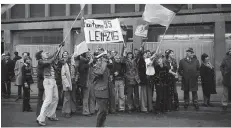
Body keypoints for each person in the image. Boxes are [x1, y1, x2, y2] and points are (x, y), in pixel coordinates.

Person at [36, 45, 62, 126]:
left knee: (56, 98)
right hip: (47, 81)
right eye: (44, 53)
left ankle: (51, 115)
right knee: (48, 100)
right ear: (41, 56)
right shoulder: (40, 61)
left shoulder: (47, 59)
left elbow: (53, 55)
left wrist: (59, 48)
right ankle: (41, 119)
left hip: (53, 80)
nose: (46, 53)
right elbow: (51, 60)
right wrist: (56, 53)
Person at [93, 52, 110, 127]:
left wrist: (108, 59)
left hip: (105, 90)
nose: (102, 60)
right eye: (100, 59)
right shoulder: (95, 67)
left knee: (105, 111)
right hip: (100, 90)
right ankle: (98, 126)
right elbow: (100, 72)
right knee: (101, 110)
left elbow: (111, 66)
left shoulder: (104, 65)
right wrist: (103, 61)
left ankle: (102, 125)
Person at [123, 48, 140, 113]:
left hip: (136, 78)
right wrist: (124, 52)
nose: (130, 56)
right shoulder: (125, 61)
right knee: (129, 94)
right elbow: (122, 60)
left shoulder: (135, 60)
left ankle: (137, 106)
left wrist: (140, 50)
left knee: (136, 94)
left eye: (131, 54)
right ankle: (130, 107)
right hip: (129, 78)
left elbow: (139, 56)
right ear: (127, 56)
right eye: (129, 55)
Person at [61, 51, 75, 118]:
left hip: (73, 82)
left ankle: (71, 110)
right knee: (67, 98)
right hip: (67, 83)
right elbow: (63, 75)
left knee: (72, 97)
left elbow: (74, 72)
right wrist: (67, 84)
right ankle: (67, 112)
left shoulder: (72, 64)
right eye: (64, 54)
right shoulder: (64, 64)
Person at [35, 50, 45, 117]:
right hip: (42, 83)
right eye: (43, 53)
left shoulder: (41, 61)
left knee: (42, 99)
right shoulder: (40, 61)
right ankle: (39, 114)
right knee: (40, 99)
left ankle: (40, 113)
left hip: (42, 82)